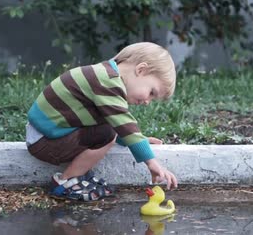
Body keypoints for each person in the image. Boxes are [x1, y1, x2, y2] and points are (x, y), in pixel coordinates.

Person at [25, 42, 178, 201]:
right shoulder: (108, 82)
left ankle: (79, 177)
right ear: (141, 70)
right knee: (107, 135)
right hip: (44, 142)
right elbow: (123, 124)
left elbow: (112, 122)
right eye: (152, 92)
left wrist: (137, 141)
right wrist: (151, 162)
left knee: (108, 132)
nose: (148, 101)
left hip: (47, 136)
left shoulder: (104, 75)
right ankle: (65, 182)